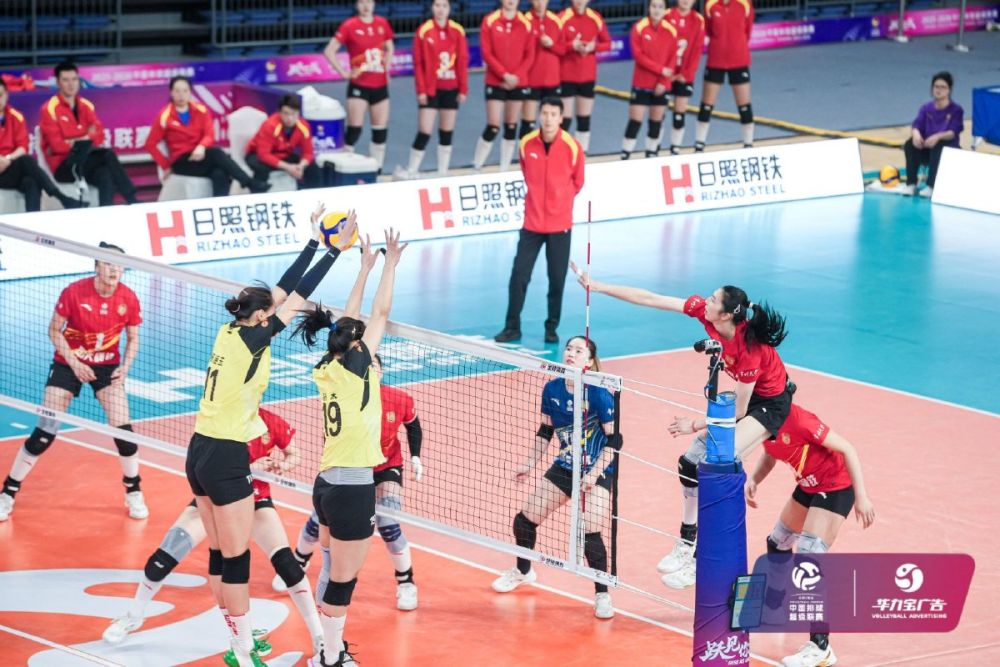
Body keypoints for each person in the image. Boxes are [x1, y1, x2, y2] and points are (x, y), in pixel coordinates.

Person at [185, 206, 356, 667]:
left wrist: (313, 241)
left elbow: (280, 291)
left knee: (220, 554)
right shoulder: (256, 338)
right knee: (236, 559)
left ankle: (237, 641)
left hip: (198, 449)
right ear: (262, 317)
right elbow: (298, 295)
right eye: (270, 312)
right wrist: (334, 253)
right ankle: (242, 652)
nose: (274, 313)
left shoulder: (230, 329)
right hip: (225, 456)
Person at [572, 275, 792, 588]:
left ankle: (702, 560)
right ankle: (687, 540)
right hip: (746, 398)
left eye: (714, 299)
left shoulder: (749, 351)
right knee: (689, 464)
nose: (707, 300)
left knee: (717, 464)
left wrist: (695, 424)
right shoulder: (706, 314)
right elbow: (651, 298)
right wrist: (599, 287)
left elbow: (740, 412)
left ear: (726, 315)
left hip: (768, 405)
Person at [103, 408, 325, 661]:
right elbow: (206, 465)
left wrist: (283, 464)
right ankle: (133, 616)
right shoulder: (218, 422)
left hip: (255, 501)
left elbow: (294, 453)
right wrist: (248, 467)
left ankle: (319, 637)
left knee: (288, 566)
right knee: (165, 556)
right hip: (215, 501)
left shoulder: (270, 422)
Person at [293, 229, 406, 667]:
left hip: (325, 485)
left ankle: (325, 648)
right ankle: (331, 656)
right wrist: (389, 264)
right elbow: (380, 312)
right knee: (343, 580)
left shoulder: (327, 367)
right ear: (358, 347)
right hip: (353, 487)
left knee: (328, 567)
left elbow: (351, 319)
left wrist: (364, 267)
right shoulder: (360, 366)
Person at [0, 242, 146, 523]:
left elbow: (133, 338)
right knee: (44, 432)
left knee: (125, 433)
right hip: (68, 363)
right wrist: (75, 363)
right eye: (107, 263)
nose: (114, 269)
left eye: (118, 264)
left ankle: (134, 490)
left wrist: (125, 368)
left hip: (107, 367)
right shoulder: (74, 292)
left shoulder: (128, 297)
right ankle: (8, 492)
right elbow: (54, 330)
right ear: (96, 266)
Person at [275, 353, 425, 612]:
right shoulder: (345, 398)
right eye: (366, 367)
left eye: (375, 366)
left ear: (382, 372)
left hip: (385, 467)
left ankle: (406, 581)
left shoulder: (399, 398)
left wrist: (415, 457)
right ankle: (299, 560)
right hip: (350, 467)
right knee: (319, 520)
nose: (371, 370)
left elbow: (413, 426)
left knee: (388, 523)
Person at [491, 336, 620, 619]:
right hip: (565, 467)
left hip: (597, 470)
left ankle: (602, 594)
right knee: (524, 519)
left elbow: (615, 440)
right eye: (569, 348)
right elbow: (545, 432)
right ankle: (523, 571)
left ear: (589, 361)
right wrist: (528, 464)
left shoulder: (599, 393)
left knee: (590, 530)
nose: (571, 353)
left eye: (579, 350)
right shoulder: (552, 389)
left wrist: (594, 475)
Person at [744, 403, 875, 667]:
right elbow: (771, 454)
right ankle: (774, 608)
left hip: (836, 486)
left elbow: (848, 448)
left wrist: (861, 497)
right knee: (778, 542)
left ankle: (821, 646)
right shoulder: (762, 423)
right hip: (808, 485)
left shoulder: (800, 421)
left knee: (808, 559)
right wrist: (755, 479)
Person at [495, 97, 584, 345]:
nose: (548, 119)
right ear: (539, 115)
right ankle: (512, 327)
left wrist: (560, 200)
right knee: (519, 275)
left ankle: (551, 327)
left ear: (561, 118)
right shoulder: (526, 143)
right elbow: (527, 174)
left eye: (553, 114)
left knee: (557, 279)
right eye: (544, 113)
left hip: (560, 226)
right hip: (532, 225)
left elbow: (578, 182)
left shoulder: (572, 147)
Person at [145, 76, 269, 197]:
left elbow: (209, 134)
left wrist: (201, 147)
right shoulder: (165, 116)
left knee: (219, 173)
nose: (181, 95)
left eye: (185, 91)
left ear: (190, 92)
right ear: (171, 92)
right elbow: (150, 144)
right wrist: (166, 166)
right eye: (177, 91)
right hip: (181, 161)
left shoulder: (201, 110)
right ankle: (249, 182)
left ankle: (219, 206)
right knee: (216, 152)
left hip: (201, 157)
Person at [38, 62, 138, 206]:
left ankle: (106, 211)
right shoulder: (49, 109)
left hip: (86, 161)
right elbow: (57, 146)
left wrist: (73, 141)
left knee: (105, 174)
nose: (71, 84)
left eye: (74, 79)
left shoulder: (86, 106)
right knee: (107, 154)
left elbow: (100, 135)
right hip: (64, 166)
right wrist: (85, 138)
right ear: (58, 83)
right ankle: (131, 198)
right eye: (66, 80)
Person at [394, 0, 468, 179]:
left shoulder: (457, 31)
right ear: (432, 8)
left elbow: (462, 60)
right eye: (437, 5)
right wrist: (421, 90)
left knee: (446, 132)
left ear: (449, 9)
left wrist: (463, 88)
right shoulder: (424, 31)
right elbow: (418, 63)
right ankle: (412, 170)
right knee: (425, 131)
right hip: (430, 89)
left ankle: (443, 172)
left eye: (444, 6)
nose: (441, 9)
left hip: (451, 87)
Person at [324, 0, 395, 172]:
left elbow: (390, 47)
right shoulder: (350, 25)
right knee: (354, 129)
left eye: (369, 2)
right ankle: (345, 168)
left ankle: (377, 169)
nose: (366, 6)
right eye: (362, 2)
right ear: (357, 5)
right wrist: (344, 73)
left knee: (380, 131)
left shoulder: (382, 23)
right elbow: (329, 51)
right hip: (359, 85)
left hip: (380, 85)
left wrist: (386, 69)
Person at [0, 78, 86, 211]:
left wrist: (8, 158)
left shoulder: (16, 117)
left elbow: (22, 147)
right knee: (26, 161)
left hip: (10, 167)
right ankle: (61, 197)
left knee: (31, 181)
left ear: (6, 94)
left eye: (0, 95)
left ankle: (33, 220)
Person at [472, 0, 536, 172]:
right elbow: (487, 52)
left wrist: (516, 76)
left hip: (518, 81)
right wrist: (504, 75)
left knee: (511, 125)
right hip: (496, 81)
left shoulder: (526, 23)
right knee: (493, 125)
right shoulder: (490, 21)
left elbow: (530, 55)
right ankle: (476, 165)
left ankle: (504, 168)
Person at [693, 0, 754, 152]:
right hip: (716, 60)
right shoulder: (710, 5)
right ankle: (699, 145)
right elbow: (709, 30)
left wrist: (736, 45)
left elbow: (747, 30)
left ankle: (748, 145)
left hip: (739, 60)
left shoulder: (745, 4)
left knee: (744, 106)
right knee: (706, 105)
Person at [621, 0, 678, 160]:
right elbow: (639, 56)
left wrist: (664, 82)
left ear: (665, 9)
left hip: (661, 86)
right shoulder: (639, 28)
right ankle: (625, 156)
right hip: (641, 83)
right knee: (635, 122)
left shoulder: (671, 31)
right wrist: (660, 70)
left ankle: (651, 156)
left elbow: (672, 58)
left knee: (655, 124)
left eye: (660, 7)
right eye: (654, 6)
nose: (656, 10)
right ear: (648, 8)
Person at [558, 0, 610, 153]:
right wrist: (571, 46)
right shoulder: (562, 18)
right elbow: (556, 46)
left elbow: (607, 43)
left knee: (584, 120)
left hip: (587, 76)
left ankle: (581, 155)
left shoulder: (596, 18)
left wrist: (594, 47)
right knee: (564, 120)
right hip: (566, 76)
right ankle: (560, 153)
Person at [903, 71, 963, 198]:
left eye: (943, 87)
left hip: (947, 149)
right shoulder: (926, 108)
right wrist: (916, 135)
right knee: (909, 144)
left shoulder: (956, 110)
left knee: (938, 145)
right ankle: (911, 184)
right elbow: (917, 124)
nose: (939, 90)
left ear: (949, 90)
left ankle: (932, 186)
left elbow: (953, 132)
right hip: (927, 149)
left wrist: (937, 136)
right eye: (936, 86)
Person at [246, 93, 323, 190]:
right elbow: (264, 154)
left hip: (284, 154)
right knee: (261, 169)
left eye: (293, 114)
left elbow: (308, 153)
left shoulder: (304, 126)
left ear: (298, 113)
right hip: (256, 154)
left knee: (312, 167)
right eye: (286, 113)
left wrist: (300, 166)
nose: (290, 118)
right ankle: (258, 195)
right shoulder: (270, 125)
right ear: (279, 112)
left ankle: (314, 196)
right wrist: (289, 167)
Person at [664, 0, 705, 154]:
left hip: (684, 75)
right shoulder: (667, 16)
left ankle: (675, 149)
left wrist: (686, 74)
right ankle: (653, 151)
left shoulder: (698, 20)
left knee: (679, 114)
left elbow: (697, 50)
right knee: (658, 115)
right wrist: (666, 72)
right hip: (665, 73)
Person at [520, 0, 564, 140]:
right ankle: (524, 152)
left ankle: (549, 152)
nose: (540, 3)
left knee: (551, 125)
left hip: (552, 79)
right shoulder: (524, 21)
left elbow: (563, 50)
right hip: (531, 79)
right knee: (528, 124)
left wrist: (551, 44)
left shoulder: (556, 21)